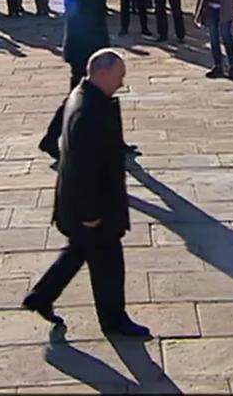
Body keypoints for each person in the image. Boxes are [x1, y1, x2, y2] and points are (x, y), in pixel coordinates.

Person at [24, 49, 151, 338]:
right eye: (119, 76)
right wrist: (90, 213)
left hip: (82, 204)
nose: (122, 83)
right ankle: (114, 321)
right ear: (102, 73)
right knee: (108, 263)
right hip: (92, 207)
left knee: (79, 250)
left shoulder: (83, 96)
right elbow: (84, 168)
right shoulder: (88, 112)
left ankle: (42, 296)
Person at [38, 0, 112, 160]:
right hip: (83, 54)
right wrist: (98, 56)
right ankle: (51, 139)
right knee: (76, 100)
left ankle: (107, 140)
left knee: (96, 99)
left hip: (89, 52)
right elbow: (84, 27)